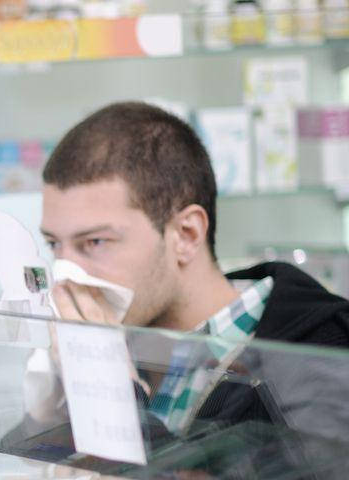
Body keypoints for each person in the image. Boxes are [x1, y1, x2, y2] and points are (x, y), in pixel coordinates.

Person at [17, 100, 349, 449]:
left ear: (186, 235)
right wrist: (44, 417)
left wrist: (113, 397)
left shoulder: (320, 356)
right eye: (54, 244)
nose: (67, 275)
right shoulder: (132, 342)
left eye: (95, 241)